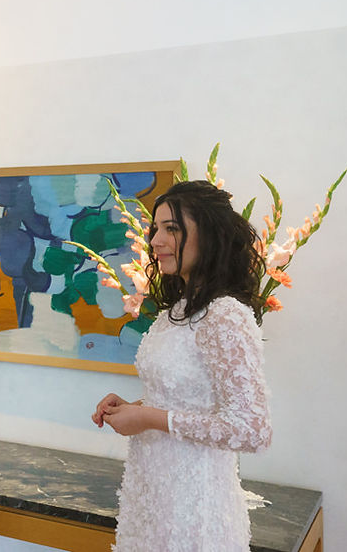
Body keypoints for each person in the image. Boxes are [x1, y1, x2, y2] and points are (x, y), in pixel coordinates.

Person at [92, 180, 273, 551]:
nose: (155, 241)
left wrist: (147, 419)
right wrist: (133, 407)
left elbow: (252, 430)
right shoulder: (177, 311)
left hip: (195, 507)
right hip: (153, 493)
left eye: (171, 229)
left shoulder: (225, 316)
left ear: (209, 235)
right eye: (155, 229)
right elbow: (186, 398)